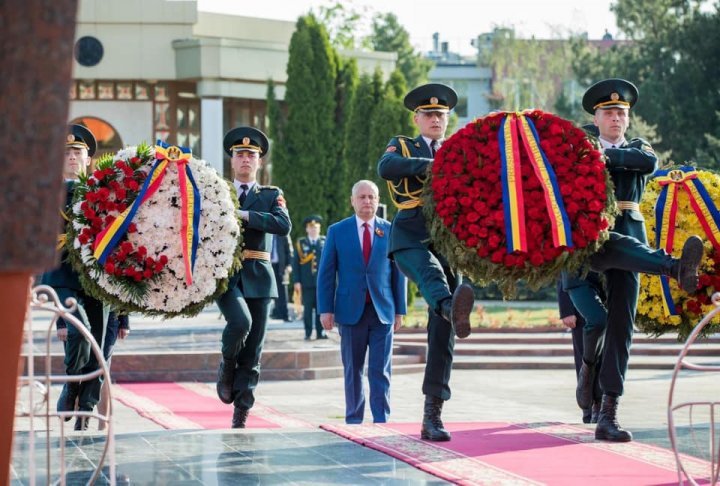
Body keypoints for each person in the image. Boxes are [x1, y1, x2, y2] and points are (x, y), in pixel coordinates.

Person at [564, 78, 703, 442]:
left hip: (633, 242)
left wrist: (604, 157)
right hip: (591, 238)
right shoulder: (580, 143)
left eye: (621, 113)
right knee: (598, 318)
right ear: (596, 117)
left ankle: (608, 412)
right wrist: (597, 154)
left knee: (622, 328)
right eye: (609, 112)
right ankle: (673, 267)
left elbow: (646, 161)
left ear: (628, 119)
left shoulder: (638, 146)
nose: (615, 118)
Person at [377, 83, 475, 442]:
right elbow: (386, 167)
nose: (436, 119)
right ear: (417, 118)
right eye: (429, 114)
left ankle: (432, 415)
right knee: (433, 277)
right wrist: (436, 165)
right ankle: (449, 304)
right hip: (411, 232)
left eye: (442, 115)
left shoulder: (460, 149)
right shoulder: (403, 144)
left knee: (443, 335)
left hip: (448, 237)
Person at [214, 126, 291, 428]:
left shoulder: (272, 195)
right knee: (240, 322)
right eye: (240, 154)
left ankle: (241, 412)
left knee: (255, 347)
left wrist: (246, 216)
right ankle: (226, 364)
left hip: (260, 277)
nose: (245, 159)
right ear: (232, 161)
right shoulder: (219, 192)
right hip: (227, 276)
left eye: (251, 155)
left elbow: (283, 225)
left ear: (260, 162)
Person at [317, 180, 407, 424]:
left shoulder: (390, 231)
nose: (367, 201)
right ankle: (354, 419)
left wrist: (400, 309)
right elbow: (326, 273)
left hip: (383, 312)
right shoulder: (338, 231)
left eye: (372, 197)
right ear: (353, 201)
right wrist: (325, 309)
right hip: (349, 312)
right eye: (362, 197)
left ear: (378, 201)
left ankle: (381, 419)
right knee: (353, 369)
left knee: (380, 370)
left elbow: (399, 273)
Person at [41, 124, 108, 431]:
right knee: (80, 331)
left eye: (77, 152)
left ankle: (87, 406)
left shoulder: (103, 191)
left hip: (95, 275)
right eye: (65, 152)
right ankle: (71, 386)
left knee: (98, 343)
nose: (71, 157)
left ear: (88, 158)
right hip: (61, 272)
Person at [557, 275, 604, 423]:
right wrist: (566, 310)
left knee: (605, 359)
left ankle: (600, 406)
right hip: (579, 306)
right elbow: (562, 272)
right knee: (585, 357)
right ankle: (588, 408)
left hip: (607, 302)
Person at [292, 215, 327, 340]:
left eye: (316, 228)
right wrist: (296, 281)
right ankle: (307, 332)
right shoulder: (301, 243)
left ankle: (320, 332)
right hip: (306, 283)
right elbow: (295, 263)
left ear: (319, 228)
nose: (313, 230)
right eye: (311, 228)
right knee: (307, 310)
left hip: (321, 283)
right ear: (307, 229)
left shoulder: (324, 241)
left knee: (321, 309)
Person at [269, 234, 293, 321]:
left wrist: (289, 265)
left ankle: (285, 315)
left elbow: (289, 251)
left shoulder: (283, 234)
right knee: (273, 290)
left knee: (282, 290)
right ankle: (277, 312)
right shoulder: (267, 233)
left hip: (281, 266)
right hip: (269, 266)